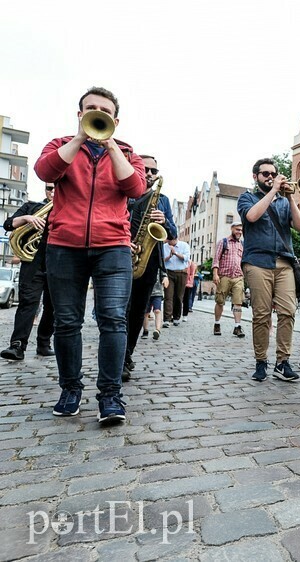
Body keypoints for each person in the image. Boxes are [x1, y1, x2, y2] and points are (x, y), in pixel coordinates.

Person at [34, 86, 146, 423]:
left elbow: (136, 188)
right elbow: (45, 172)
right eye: (90, 108)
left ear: (116, 119)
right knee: (67, 321)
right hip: (64, 246)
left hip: (111, 246)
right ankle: (70, 389)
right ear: (80, 113)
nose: (97, 113)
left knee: (113, 319)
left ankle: (110, 396)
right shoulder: (60, 145)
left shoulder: (127, 153)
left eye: (104, 110)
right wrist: (79, 139)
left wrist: (111, 146)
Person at [238, 157, 300, 382]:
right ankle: (260, 361)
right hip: (257, 262)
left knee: (288, 311)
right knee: (262, 315)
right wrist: (273, 191)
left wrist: (290, 197)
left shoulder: (283, 201)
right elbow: (252, 216)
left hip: (284, 262)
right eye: (265, 174)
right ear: (255, 176)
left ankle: (282, 361)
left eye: (273, 174)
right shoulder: (246, 197)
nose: (270, 177)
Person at [123, 155, 177, 381]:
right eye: (145, 169)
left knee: (137, 312)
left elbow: (172, 236)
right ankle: (116, 355)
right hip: (120, 254)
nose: (150, 174)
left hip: (149, 261)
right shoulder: (124, 192)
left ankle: (126, 355)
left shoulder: (162, 200)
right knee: (118, 312)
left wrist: (164, 221)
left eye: (154, 171)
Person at [1, 183, 56, 361]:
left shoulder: (68, 208)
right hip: (32, 263)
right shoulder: (32, 206)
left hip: (58, 263)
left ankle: (44, 343)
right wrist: (27, 218)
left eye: (57, 187)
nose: (53, 191)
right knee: (28, 304)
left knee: (53, 307)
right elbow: (8, 224)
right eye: (49, 188)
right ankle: (17, 345)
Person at [212, 222, 246, 338]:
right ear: (232, 229)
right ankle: (217, 324)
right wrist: (215, 274)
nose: (239, 232)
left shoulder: (242, 244)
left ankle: (237, 327)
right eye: (237, 230)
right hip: (224, 276)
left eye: (241, 230)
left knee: (238, 303)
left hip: (238, 277)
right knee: (220, 301)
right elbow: (216, 259)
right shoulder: (223, 242)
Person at [162, 236, 190, 327]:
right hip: (169, 273)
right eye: (168, 240)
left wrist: (175, 253)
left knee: (179, 296)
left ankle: (176, 317)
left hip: (181, 273)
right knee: (168, 296)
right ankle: (167, 319)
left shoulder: (184, 245)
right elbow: (162, 261)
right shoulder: (164, 246)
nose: (168, 242)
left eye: (170, 240)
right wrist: (169, 256)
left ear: (175, 238)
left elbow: (186, 258)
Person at [142, 271, 168, 340]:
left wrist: (165, 277)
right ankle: (145, 330)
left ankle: (157, 330)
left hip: (157, 292)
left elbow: (163, 271)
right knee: (146, 313)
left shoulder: (159, 263)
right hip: (146, 291)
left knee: (157, 311)